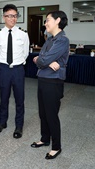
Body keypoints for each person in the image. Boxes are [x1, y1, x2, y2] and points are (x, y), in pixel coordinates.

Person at [31, 10, 69, 160]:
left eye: (47, 20)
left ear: (57, 20)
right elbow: (41, 58)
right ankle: (45, 138)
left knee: (51, 115)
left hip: (53, 82)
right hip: (43, 79)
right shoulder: (49, 39)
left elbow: (41, 60)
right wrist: (43, 60)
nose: (45, 23)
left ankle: (56, 146)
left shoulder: (62, 40)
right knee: (42, 113)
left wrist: (42, 60)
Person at [0, 4, 29, 139]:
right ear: (4, 17)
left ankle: (19, 126)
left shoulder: (23, 34)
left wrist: (17, 63)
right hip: (4, 70)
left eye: (15, 16)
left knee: (20, 99)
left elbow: (25, 53)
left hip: (18, 70)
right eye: (10, 16)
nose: (13, 19)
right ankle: (2, 122)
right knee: (4, 98)